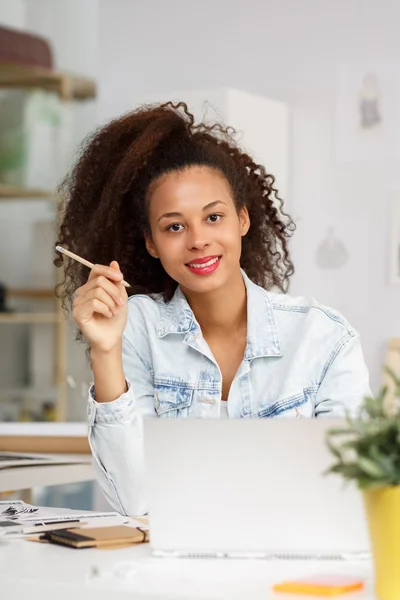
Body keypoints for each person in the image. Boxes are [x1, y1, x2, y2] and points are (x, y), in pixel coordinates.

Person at [55, 102, 370, 516]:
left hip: (293, 568)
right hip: (176, 570)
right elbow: (137, 500)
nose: (198, 240)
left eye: (214, 217)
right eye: (174, 226)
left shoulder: (323, 337)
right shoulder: (136, 329)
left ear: (242, 220)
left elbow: (352, 490)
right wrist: (105, 350)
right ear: (151, 243)